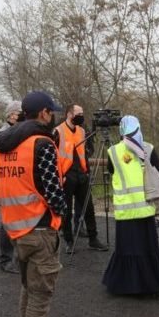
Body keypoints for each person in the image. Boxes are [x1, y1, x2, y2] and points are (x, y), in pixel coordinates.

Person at [0, 90, 69, 317]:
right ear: (44, 113)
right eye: (52, 112)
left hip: (15, 226)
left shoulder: (5, 145)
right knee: (41, 293)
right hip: (39, 227)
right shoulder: (41, 144)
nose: (54, 117)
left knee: (28, 287)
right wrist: (61, 212)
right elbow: (53, 190)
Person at [102, 115, 159, 297]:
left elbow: (111, 172)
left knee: (126, 249)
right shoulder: (147, 148)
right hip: (144, 208)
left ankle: (124, 285)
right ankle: (149, 286)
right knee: (147, 249)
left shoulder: (113, 152)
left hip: (125, 211)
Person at [54, 104, 108, 252]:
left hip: (81, 174)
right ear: (69, 114)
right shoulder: (58, 131)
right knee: (66, 210)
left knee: (88, 208)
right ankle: (69, 241)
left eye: (82, 113)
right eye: (79, 113)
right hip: (66, 175)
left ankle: (93, 238)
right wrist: (60, 176)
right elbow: (54, 156)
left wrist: (86, 172)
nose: (81, 116)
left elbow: (86, 150)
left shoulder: (82, 131)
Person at [0, 100, 22, 273]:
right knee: (6, 222)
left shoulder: (21, 131)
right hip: (5, 182)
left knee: (19, 220)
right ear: (11, 115)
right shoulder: (1, 133)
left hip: (18, 182)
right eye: (18, 112)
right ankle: (5, 259)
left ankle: (19, 256)